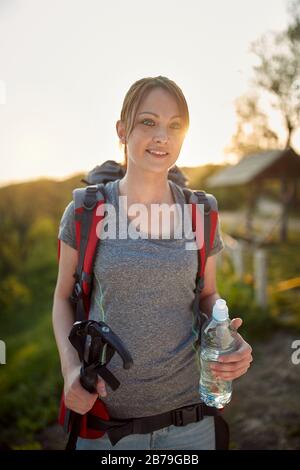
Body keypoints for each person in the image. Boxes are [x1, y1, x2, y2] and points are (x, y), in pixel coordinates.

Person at [52, 76, 253, 450]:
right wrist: (71, 371)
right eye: (148, 121)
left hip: (190, 422)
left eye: (174, 125)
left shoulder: (202, 213)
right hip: (106, 427)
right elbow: (62, 298)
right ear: (122, 130)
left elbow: (208, 295)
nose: (162, 135)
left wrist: (226, 336)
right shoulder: (85, 210)